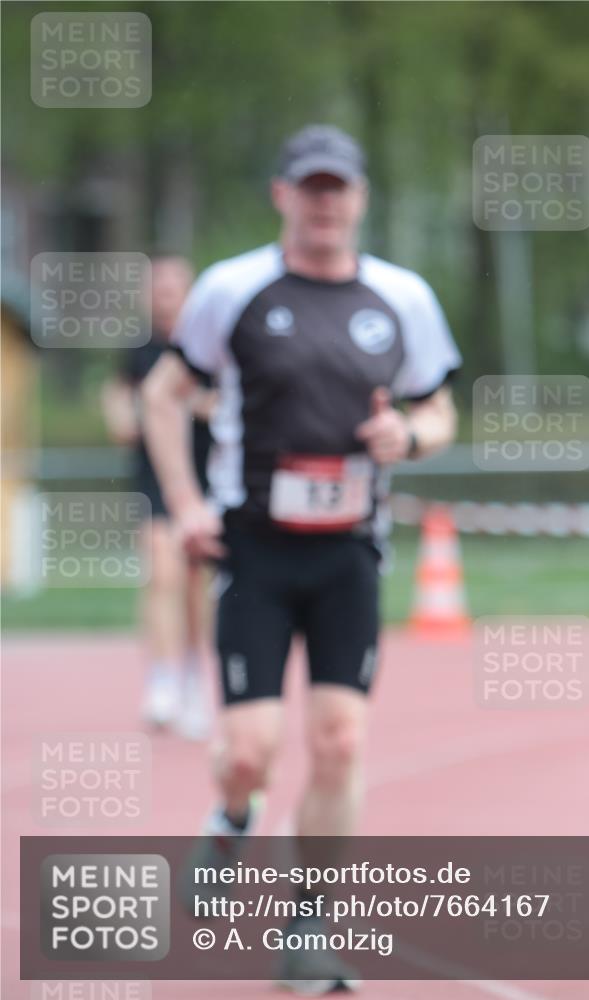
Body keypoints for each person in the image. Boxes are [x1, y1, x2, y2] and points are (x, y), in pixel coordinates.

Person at [142, 125, 462, 993]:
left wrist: (410, 434)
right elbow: (163, 394)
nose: (325, 203)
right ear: (283, 195)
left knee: (338, 739)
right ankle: (229, 816)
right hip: (254, 548)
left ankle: (309, 923)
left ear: (358, 198)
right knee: (249, 749)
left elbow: (439, 410)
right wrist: (183, 505)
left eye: (339, 188)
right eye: (309, 187)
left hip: (350, 554)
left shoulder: (402, 297)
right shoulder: (232, 289)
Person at [101, 255, 217, 740]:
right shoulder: (140, 349)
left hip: (207, 478)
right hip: (156, 480)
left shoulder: (208, 347)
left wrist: (177, 401)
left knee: (197, 583)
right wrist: (123, 415)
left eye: (173, 287)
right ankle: (162, 679)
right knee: (161, 571)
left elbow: (222, 404)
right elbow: (118, 392)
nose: (164, 295)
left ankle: (196, 678)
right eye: (157, 287)